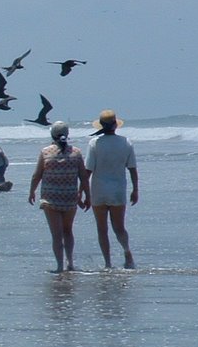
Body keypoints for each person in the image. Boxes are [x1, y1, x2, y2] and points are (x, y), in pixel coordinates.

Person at [28, 122, 90, 273]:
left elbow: (37, 175)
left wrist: (32, 191)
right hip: (70, 197)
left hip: (51, 199)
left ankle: (59, 266)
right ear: (67, 135)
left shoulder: (46, 152)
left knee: (56, 234)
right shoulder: (76, 153)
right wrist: (87, 195)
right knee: (68, 231)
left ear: (52, 135)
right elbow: (83, 177)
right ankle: (70, 263)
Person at [86, 109, 139, 269]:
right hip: (118, 190)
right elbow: (132, 168)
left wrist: (81, 191)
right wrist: (135, 189)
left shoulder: (94, 143)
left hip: (99, 190)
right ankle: (127, 251)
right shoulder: (126, 142)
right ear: (116, 125)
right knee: (119, 227)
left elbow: (88, 170)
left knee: (102, 229)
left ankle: (108, 263)